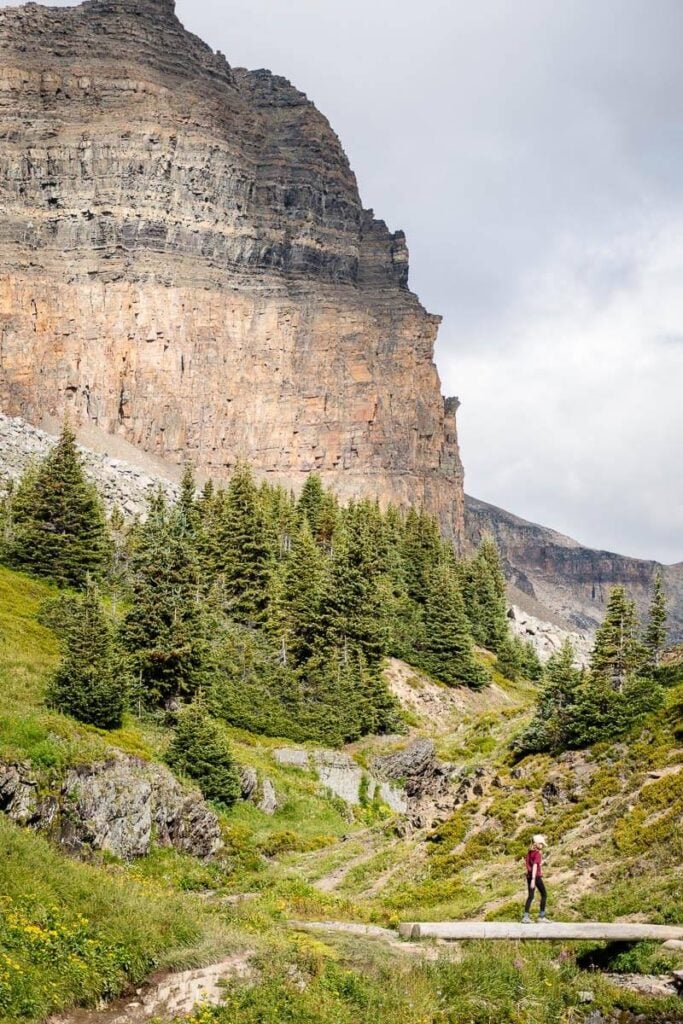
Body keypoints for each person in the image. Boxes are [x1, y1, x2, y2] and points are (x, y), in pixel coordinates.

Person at [522, 834, 549, 922]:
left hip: (529, 876)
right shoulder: (537, 854)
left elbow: (528, 865)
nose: (542, 846)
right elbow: (534, 866)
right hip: (535, 877)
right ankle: (541, 916)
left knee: (530, 896)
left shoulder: (529, 853)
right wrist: (534, 879)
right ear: (536, 843)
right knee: (544, 894)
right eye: (541, 844)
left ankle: (525, 917)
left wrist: (531, 878)